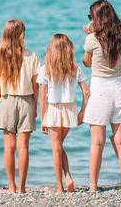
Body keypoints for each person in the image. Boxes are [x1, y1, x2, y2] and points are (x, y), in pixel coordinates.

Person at [82, 0, 121, 192]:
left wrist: (89, 36)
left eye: (91, 17)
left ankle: (93, 187)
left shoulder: (91, 39)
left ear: (96, 18)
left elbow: (86, 63)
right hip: (119, 89)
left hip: (99, 91)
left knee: (97, 141)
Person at [0, 19, 40, 194]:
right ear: (21, 34)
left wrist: (2, 102)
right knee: (23, 147)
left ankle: (11, 187)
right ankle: (22, 188)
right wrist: (36, 106)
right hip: (26, 101)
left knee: (8, 147)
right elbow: (35, 86)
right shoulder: (32, 56)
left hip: (6, 100)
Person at [37, 34, 90, 193]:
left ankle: (60, 187)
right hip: (70, 109)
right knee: (59, 146)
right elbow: (86, 92)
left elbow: (42, 96)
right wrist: (82, 112)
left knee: (56, 147)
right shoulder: (75, 67)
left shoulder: (46, 67)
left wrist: (42, 119)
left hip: (53, 109)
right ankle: (68, 176)